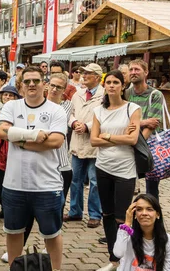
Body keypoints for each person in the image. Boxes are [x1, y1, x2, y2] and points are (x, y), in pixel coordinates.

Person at [0, 65, 67, 270]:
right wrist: (34, 136)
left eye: (36, 80)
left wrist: (19, 140)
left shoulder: (56, 110)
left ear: (44, 84)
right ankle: (15, 268)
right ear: (21, 85)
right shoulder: (12, 107)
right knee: (13, 232)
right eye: (27, 81)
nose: (32, 84)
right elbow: (2, 131)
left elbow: (55, 141)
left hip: (46, 185)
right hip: (14, 184)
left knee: (51, 234)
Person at [91, 70, 142, 271]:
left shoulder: (132, 108)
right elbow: (94, 140)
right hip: (103, 167)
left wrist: (108, 136)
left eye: (116, 82)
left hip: (125, 170)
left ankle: (126, 258)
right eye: (108, 82)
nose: (112, 85)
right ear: (104, 86)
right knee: (107, 214)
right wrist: (113, 137)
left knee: (122, 217)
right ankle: (114, 259)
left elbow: (133, 140)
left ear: (123, 86)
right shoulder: (99, 111)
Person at [66, 63, 104, 228]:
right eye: (83, 73)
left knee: (95, 181)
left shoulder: (104, 95)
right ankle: (75, 211)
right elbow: (70, 113)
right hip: (77, 142)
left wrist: (87, 126)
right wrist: (74, 123)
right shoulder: (77, 94)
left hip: (94, 144)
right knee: (75, 180)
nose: (84, 76)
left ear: (97, 77)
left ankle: (95, 214)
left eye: (88, 73)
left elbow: (105, 117)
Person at [125, 60, 164, 200]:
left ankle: (154, 218)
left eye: (137, 69)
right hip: (128, 143)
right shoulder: (126, 93)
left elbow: (152, 126)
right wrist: (143, 121)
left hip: (148, 146)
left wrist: (137, 144)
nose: (133, 72)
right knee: (127, 185)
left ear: (146, 72)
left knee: (151, 189)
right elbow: (122, 121)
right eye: (131, 70)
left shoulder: (155, 95)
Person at [113, 194, 170, 271]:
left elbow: (167, 269)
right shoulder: (127, 235)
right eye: (139, 209)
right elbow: (118, 253)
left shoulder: (168, 240)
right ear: (134, 214)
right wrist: (127, 223)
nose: (144, 213)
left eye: (149, 209)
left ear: (157, 214)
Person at [0, 85, 21, 220]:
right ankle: (3, 208)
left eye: (11, 95)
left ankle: (13, 209)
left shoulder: (19, 111)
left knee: (13, 183)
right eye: (5, 95)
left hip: (11, 149)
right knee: (0, 182)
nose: (7, 97)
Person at [47, 73, 74, 215]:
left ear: (64, 90)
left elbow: (54, 124)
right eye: (52, 85)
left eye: (59, 87)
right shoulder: (37, 103)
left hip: (62, 163)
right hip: (42, 163)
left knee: (59, 203)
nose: (54, 89)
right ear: (47, 85)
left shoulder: (67, 105)